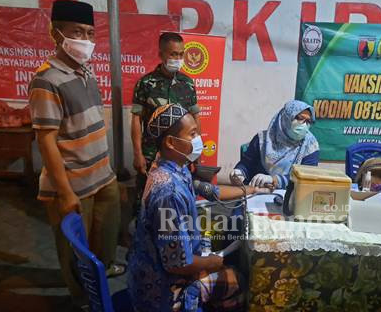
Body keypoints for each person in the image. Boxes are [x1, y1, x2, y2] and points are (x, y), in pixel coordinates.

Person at [28, 0, 122, 308]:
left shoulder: (86, 72)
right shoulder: (46, 80)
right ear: (57, 35)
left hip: (102, 176)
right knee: (75, 250)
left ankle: (101, 273)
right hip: (71, 184)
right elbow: (46, 140)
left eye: (90, 33)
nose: (86, 40)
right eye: (77, 32)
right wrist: (65, 192)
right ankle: (82, 297)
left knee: (105, 239)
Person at [127, 104, 245, 312]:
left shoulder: (171, 167)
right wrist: (212, 262)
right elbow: (178, 265)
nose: (199, 139)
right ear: (171, 142)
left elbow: (211, 191)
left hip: (162, 265)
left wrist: (249, 190)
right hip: (163, 290)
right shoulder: (169, 193)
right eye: (193, 134)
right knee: (238, 280)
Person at [131, 32, 200, 202]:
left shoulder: (187, 84)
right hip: (151, 153)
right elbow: (136, 120)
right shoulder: (146, 83)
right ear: (161, 54)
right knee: (145, 198)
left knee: (176, 197)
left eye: (181, 54)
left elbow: (195, 118)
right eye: (173, 54)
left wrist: (196, 150)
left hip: (179, 154)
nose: (178, 58)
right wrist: (138, 154)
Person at [230, 100, 319, 189]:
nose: (304, 125)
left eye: (308, 121)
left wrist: (276, 180)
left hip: (291, 197)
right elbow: (247, 164)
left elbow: (306, 178)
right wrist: (239, 172)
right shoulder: (262, 140)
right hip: (257, 192)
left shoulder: (310, 146)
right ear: (285, 118)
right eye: (300, 118)